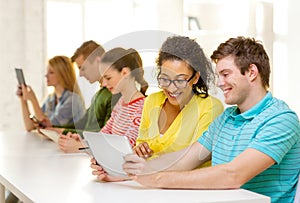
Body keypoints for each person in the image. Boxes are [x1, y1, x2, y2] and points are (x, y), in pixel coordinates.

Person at [123, 36, 300, 203]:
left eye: (226, 74)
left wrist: (156, 178)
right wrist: (130, 171)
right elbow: (185, 160)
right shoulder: (226, 118)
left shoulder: (281, 120)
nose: (219, 83)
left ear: (252, 72)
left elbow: (232, 175)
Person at [90, 36, 224, 182]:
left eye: (180, 80)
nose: (171, 88)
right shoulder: (152, 101)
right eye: (165, 79)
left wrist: (130, 173)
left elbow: (190, 160)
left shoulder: (210, 107)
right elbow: (140, 145)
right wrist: (115, 165)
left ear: (196, 78)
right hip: (152, 187)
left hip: (191, 190)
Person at [60, 47, 148, 153]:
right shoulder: (121, 103)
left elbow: (125, 148)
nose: (104, 83)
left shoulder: (142, 108)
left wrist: (81, 148)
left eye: (108, 78)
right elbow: (104, 136)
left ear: (125, 73)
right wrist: (83, 141)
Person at [17, 55, 86, 131]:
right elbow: (30, 127)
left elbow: (45, 125)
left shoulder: (73, 100)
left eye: (51, 72)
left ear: (62, 74)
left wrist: (33, 99)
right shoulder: (51, 99)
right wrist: (23, 100)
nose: (46, 75)